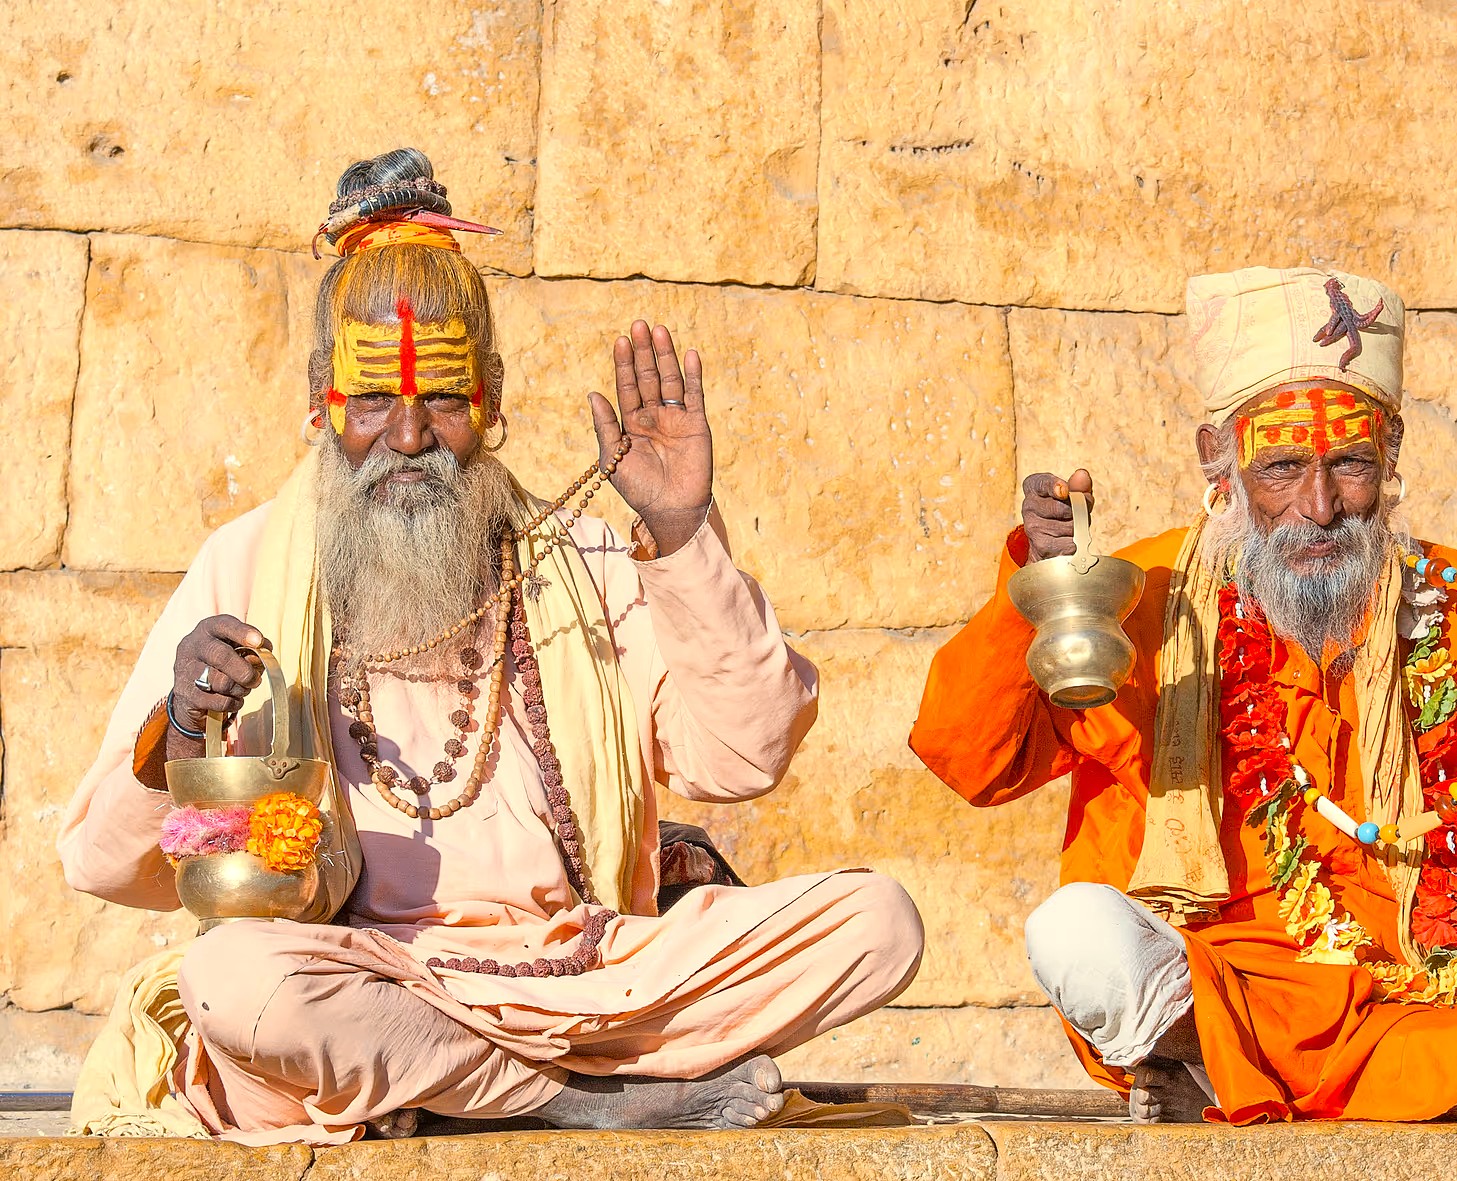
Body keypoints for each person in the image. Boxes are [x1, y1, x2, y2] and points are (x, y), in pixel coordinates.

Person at [60, 148, 923, 1146]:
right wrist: (184, 730)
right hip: (364, 979)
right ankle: (573, 1099)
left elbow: (743, 756)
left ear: (495, 399)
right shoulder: (247, 562)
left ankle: (451, 1087)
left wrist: (682, 535)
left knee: (877, 921)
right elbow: (107, 863)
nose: (411, 436)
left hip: (593, 976)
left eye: (445, 398)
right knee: (236, 980)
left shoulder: (585, 556)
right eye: (374, 398)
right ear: (317, 398)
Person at [910, 266, 1457, 1129]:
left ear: (1391, 457)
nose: (1319, 505)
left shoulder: (1454, 600)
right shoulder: (1134, 594)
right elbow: (972, 758)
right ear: (1217, 460)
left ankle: (1231, 1083)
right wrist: (1039, 590)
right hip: (1208, 987)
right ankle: (1318, 1081)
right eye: (1281, 468)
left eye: (1349, 464)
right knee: (1075, 934)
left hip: (1410, 992)